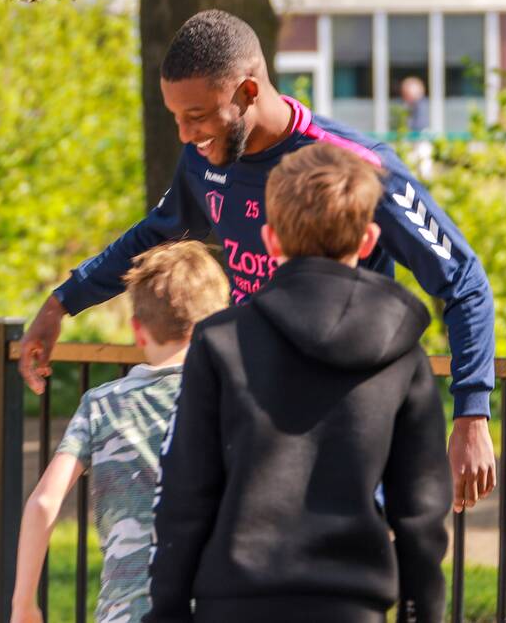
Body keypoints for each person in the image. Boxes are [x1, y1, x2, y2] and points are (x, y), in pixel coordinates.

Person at [18, 9, 496, 512]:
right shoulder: (201, 160)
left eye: (197, 116)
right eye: (175, 117)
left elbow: (462, 280)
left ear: (247, 92)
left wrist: (471, 415)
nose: (184, 134)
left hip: (347, 441)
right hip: (251, 434)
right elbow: (154, 235)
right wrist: (61, 304)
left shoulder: (353, 165)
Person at [145, 143, 452, 623]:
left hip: (235, 602)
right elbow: (421, 512)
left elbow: (186, 492)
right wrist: (421, 613)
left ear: (269, 240)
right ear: (369, 241)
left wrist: (167, 611)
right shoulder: (401, 354)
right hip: (352, 603)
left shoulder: (221, 342)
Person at [10, 241, 230, 623]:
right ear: (220, 323)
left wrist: (23, 604)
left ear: (138, 331)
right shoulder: (233, 399)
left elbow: (44, 502)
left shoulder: (102, 404)